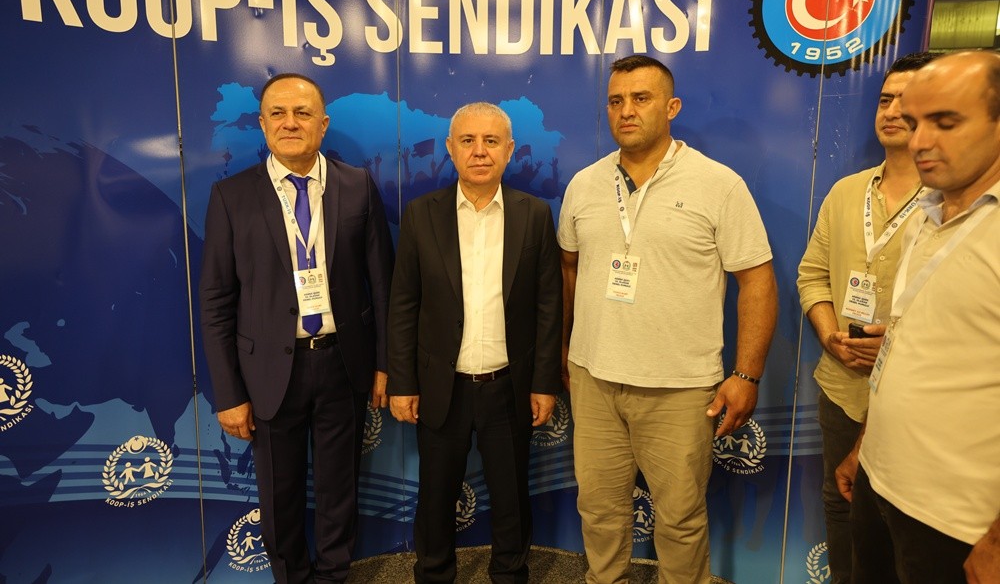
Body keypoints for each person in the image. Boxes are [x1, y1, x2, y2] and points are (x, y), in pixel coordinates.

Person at [559, 54, 778, 583]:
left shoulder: (718, 184)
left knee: (679, 519)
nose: (626, 111)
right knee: (599, 510)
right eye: (616, 101)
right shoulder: (584, 184)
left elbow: (757, 281)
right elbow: (568, 268)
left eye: (641, 98)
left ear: (672, 106)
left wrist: (746, 374)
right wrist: (565, 351)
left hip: (680, 388)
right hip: (594, 380)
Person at [199, 73, 394, 584]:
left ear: (322, 124)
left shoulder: (357, 186)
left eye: (302, 113)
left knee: (339, 489)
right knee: (279, 494)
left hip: (344, 364)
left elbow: (383, 284)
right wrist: (228, 393)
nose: (291, 123)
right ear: (262, 124)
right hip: (267, 372)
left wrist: (384, 364)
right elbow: (216, 302)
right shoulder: (231, 196)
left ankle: (334, 576)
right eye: (278, 114)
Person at [835, 50, 1000, 583]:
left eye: (945, 122)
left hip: (957, 521)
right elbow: (904, 347)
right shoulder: (929, 214)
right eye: (914, 121)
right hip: (880, 485)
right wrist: (864, 447)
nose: (920, 140)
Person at [387, 102, 562, 584]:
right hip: (441, 386)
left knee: (511, 498)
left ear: (509, 150)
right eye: (467, 141)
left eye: (491, 141)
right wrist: (402, 382)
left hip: (509, 387)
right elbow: (403, 305)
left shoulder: (534, 215)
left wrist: (544, 382)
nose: (479, 151)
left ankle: (510, 575)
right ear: (451, 149)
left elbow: (549, 306)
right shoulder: (422, 214)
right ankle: (433, 574)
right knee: (435, 496)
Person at [796, 52, 936, 584]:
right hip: (842, 386)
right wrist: (830, 335)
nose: (891, 111)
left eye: (907, 101)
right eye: (884, 100)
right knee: (840, 502)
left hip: (911, 397)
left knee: (903, 521)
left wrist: (896, 346)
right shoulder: (846, 192)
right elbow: (811, 275)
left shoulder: (953, 201)